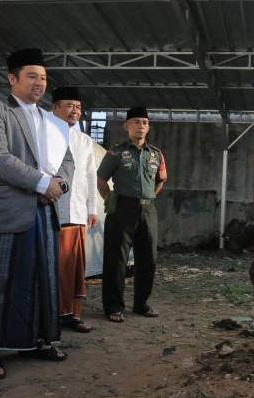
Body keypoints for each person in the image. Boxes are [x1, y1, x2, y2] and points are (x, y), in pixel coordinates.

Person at [0, 48, 74, 380]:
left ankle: (40, 340)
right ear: (12, 78)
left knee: (43, 278)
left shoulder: (53, 122)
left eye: (43, 78)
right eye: (32, 76)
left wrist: (60, 185)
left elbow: (67, 162)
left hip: (44, 211)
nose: (39, 83)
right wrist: (42, 183)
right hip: (7, 208)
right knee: (0, 277)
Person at [97, 107, 167, 323]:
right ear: (126, 126)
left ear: (149, 127)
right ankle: (113, 306)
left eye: (145, 122)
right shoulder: (115, 152)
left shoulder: (155, 153)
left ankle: (141, 304)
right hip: (122, 209)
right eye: (136, 122)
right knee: (116, 259)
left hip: (148, 210)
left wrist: (148, 198)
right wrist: (111, 200)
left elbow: (162, 178)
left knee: (148, 259)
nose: (141, 126)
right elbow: (101, 180)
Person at [51, 86, 98, 333]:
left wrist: (92, 208)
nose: (75, 111)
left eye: (78, 107)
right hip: (54, 211)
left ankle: (73, 315)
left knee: (75, 266)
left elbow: (91, 176)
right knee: (55, 266)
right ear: (54, 108)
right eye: (69, 105)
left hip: (78, 212)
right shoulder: (45, 134)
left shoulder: (84, 140)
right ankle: (52, 314)